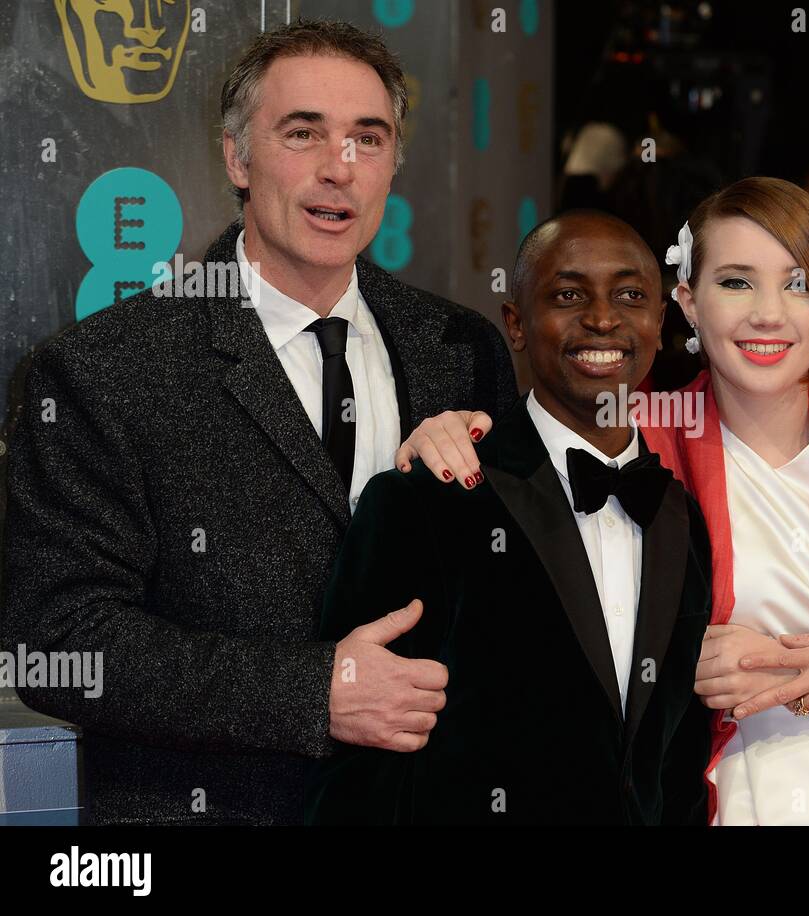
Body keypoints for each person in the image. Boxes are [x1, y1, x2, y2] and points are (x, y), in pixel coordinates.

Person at [0, 19, 516, 825]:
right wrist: (314, 693)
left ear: (392, 168)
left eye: (366, 139)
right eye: (303, 133)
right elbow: (62, 644)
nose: (337, 169)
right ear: (238, 158)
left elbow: (512, 595)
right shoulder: (104, 369)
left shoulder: (459, 349)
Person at [392, 179, 809, 826]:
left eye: (797, 283)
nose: (768, 314)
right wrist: (449, 431)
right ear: (688, 303)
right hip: (717, 800)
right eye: (737, 282)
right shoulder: (633, 444)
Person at [304, 211, 713, 824]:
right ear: (516, 324)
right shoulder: (425, 500)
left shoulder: (681, 518)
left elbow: (674, 761)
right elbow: (358, 766)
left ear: (659, 322)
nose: (603, 318)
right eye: (568, 295)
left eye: (630, 295)